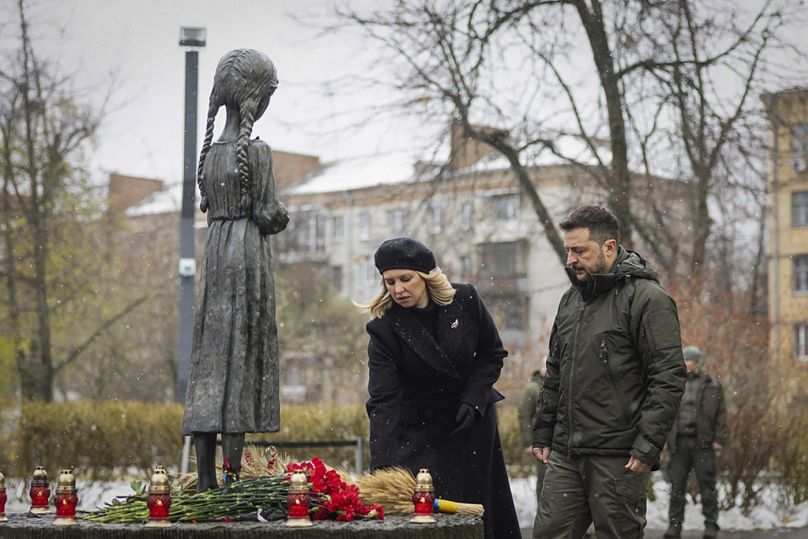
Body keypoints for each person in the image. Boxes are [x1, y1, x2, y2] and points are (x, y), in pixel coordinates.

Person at [531, 205, 686, 539]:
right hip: (566, 454)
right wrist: (543, 429)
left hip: (619, 456)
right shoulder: (570, 301)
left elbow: (668, 377)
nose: (571, 259)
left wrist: (648, 445)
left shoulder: (648, 299)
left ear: (609, 247)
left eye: (579, 251)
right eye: (568, 250)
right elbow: (555, 370)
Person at [359, 237, 520, 538]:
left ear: (426, 276)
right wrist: (381, 467)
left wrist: (473, 399)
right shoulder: (383, 330)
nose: (398, 289)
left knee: (482, 515)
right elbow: (383, 400)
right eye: (390, 282)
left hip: (470, 423)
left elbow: (491, 353)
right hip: (420, 432)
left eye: (406, 279)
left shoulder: (466, 300)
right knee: (430, 518)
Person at [181, 49, 289, 492]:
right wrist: (281, 215)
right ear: (255, 101)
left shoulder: (209, 156)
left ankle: (205, 477)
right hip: (246, 259)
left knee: (210, 362)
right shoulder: (257, 153)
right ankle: (232, 477)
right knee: (241, 360)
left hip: (216, 254)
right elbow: (268, 214)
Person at [664, 346, 729, 539]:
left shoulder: (712, 386)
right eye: (684, 359)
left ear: (697, 362)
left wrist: (719, 439)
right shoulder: (675, 383)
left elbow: (721, 415)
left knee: (707, 487)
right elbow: (666, 412)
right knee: (676, 488)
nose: (686, 363)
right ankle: (674, 527)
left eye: (689, 360)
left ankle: (711, 525)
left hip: (703, 444)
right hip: (679, 442)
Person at [518, 356, 547, 506]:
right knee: (543, 480)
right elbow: (524, 415)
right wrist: (529, 441)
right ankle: (542, 513)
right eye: (545, 365)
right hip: (541, 442)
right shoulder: (533, 388)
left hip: (558, 441)